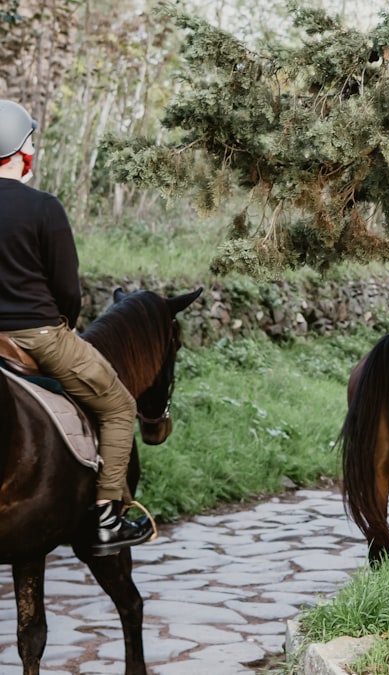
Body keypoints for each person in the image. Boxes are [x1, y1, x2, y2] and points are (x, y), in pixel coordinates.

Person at [0, 99, 153, 556]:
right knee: (120, 406)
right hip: (39, 335)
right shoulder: (44, 207)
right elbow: (67, 288)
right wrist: (64, 322)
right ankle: (107, 515)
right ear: (24, 151)